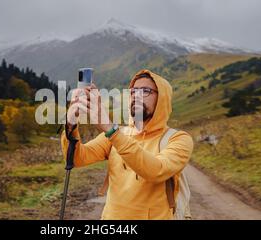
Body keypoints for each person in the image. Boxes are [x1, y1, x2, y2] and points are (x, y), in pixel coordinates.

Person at [61, 69, 193, 220]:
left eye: (145, 91)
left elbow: (157, 170)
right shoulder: (118, 134)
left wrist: (110, 129)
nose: (136, 96)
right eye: (133, 91)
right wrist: (70, 123)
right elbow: (77, 159)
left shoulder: (178, 139)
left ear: (162, 98)